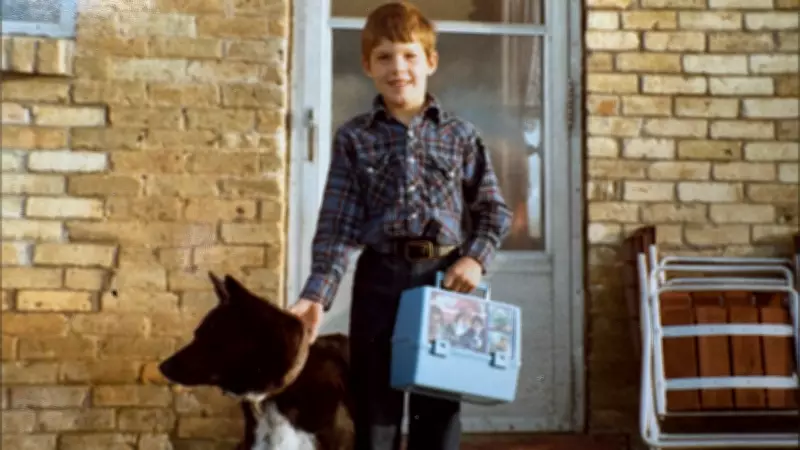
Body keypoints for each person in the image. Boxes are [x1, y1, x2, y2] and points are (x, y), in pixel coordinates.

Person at [289, 2, 512, 449]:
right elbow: (337, 225)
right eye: (385, 57)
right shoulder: (355, 137)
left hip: (446, 285)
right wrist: (316, 294)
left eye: (409, 55)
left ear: (430, 61)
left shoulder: (460, 136)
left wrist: (474, 259)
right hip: (379, 283)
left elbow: (492, 212)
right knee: (376, 412)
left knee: (438, 412)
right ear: (368, 66)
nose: (398, 68)